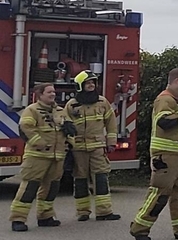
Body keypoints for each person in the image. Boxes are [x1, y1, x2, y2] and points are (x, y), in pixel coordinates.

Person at [129, 68, 178, 240]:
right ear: (176, 81)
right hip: (167, 156)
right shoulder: (165, 100)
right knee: (159, 192)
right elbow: (164, 122)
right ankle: (139, 227)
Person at [9, 83, 72, 231]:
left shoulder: (60, 111)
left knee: (51, 188)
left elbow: (69, 131)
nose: (53, 94)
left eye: (54, 92)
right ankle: (18, 219)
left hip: (57, 157)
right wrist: (41, 144)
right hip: (37, 156)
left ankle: (45, 216)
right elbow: (26, 129)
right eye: (49, 92)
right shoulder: (31, 110)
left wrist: (70, 143)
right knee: (29, 187)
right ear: (40, 94)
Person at [64, 71, 120, 222]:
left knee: (101, 177)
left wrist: (111, 143)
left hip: (97, 147)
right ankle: (82, 212)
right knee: (80, 179)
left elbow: (111, 124)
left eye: (93, 82)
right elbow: (66, 126)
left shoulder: (102, 102)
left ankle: (104, 212)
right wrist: (68, 145)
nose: (91, 85)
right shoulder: (72, 105)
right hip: (78, 149)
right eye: (88, 83)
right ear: (80, 85)